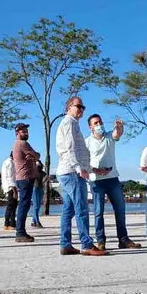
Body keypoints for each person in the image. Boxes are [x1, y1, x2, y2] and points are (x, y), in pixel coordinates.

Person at [55, 96, 107, 256]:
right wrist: (79, 169)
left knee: (68, 210)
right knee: (82, 208)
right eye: (78, 106)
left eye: (83, 107)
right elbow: (69, 149)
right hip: (71, 172)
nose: (81, 109)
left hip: (70, 171)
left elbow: (79, 151)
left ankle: (65, 244)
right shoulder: (69, 123)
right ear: (69, 107)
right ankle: (86, 244)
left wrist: (91, 169)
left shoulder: (73, 124)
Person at [85, 114, 141, 250]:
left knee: (120, 210)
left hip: (113, 179)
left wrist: (119, 126)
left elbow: (117, 134)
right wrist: (95, 170)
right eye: (96, 123)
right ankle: (101, 241)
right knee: (98, 212)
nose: (99, 125)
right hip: (96, 181)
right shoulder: (87, 142)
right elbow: (84, 162)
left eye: (101, 122)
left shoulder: (109, 136)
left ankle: (123, 240)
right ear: (90, 127)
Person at [12, 123, 41, 243]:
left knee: (24, 205)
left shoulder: (17, 145)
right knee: (24, 205)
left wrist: (34, 157)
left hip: (23, 178)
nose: (26, 133)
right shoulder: (22, 144)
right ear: (17, 133)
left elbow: (35, 156)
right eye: (23, 131)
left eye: (26, 131)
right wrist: (35, 156)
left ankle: (21, 231)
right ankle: (20, 232)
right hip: (25, 178)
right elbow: (38, 155)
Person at [1, 152, 17, 230]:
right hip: (11, 187)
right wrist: (14, 190)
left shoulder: (8, 162)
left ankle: (12, 222)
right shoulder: (9, 163)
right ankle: (8, 223)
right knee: (11, 206)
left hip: (10, 187)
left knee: (12, 206)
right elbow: (10, 178)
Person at [30, 161, 46, 228]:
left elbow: (47, 177)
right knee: (36, 205)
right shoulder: (33, 172)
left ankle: (34, 221)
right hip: (35, 188)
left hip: (40, 188)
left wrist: (43, 182)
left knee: (38, 205)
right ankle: (37, 221)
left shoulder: (42, 172)